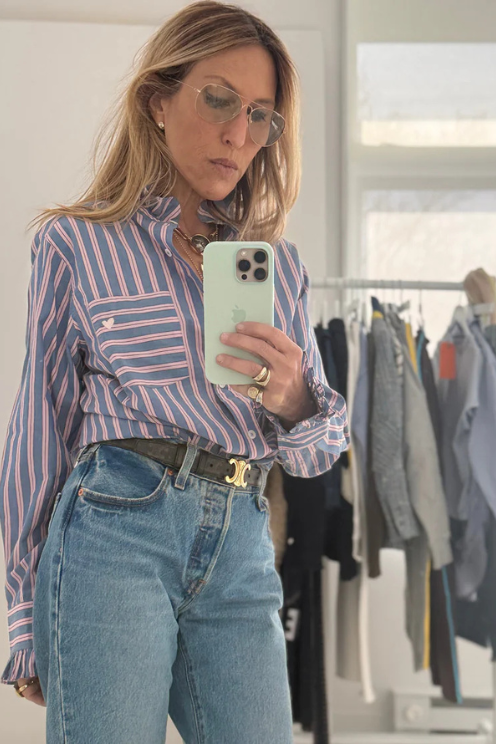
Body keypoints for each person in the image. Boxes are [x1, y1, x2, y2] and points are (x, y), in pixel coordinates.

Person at [1, 1, 349, 740]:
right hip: (115, 528)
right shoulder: (76, 243)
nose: (238, 135)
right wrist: (23, 612)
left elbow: (317, 454)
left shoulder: (276, 267)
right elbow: (39, 425)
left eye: (260, 116)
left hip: (243, 539)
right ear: (158, 101)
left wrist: (293, 400)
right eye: (219, 100)